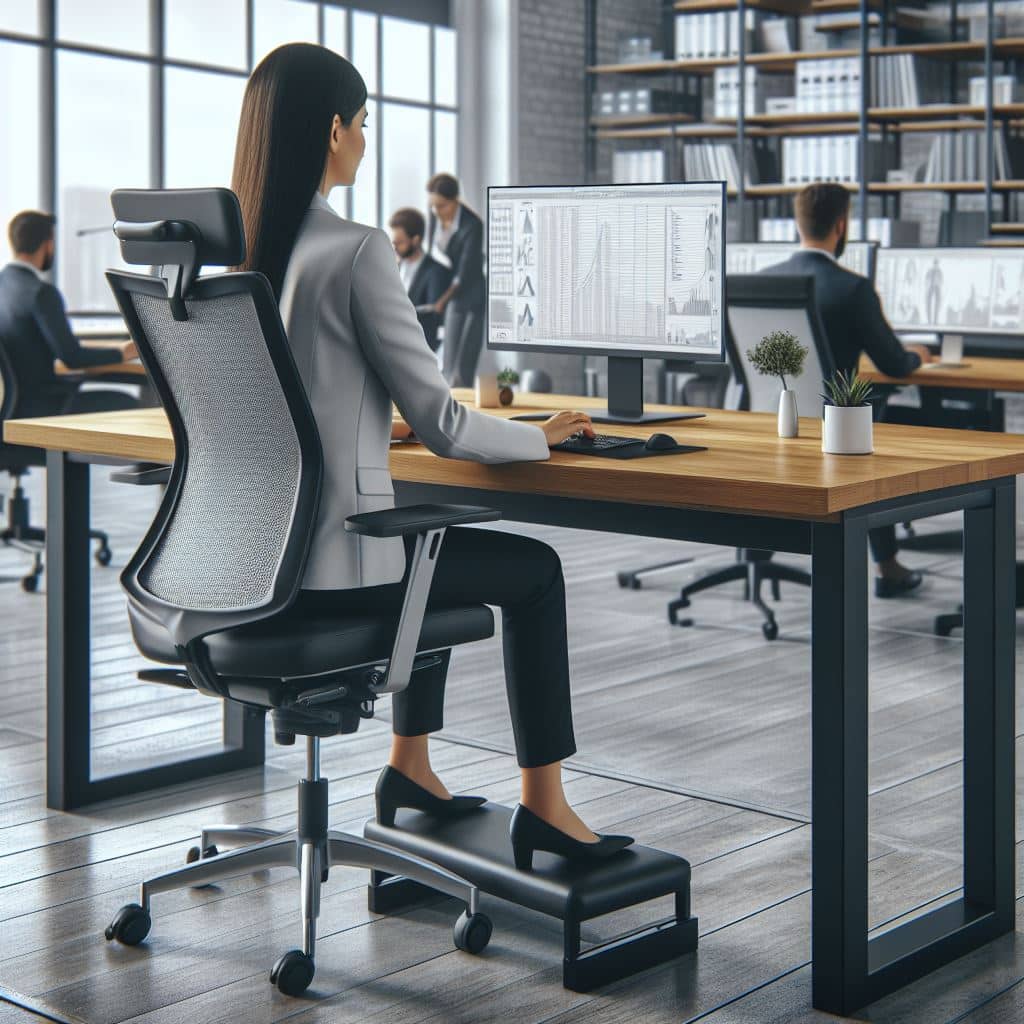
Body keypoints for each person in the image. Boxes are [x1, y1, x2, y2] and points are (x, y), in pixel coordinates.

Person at [230, 43, 632, 865]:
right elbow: (446, 424)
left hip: (248, 567)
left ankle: (410, 769)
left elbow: (283, 404)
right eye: (364, 123)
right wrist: (541, 435)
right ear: (334, 131)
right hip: (334, 573)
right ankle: (546, 808)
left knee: (428, 538)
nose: (365, 139)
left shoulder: (243, 251)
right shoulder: (355, 249)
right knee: (533, 571)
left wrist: (369, 428)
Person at [769, 183, 932, 599]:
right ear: (841, 225)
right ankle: (887, 565)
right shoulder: (851, 288)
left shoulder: (762, 281)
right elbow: (893, 364)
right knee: (875, 423)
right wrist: (918, 355)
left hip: (770, 422)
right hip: (835, 431)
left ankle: (757, 550)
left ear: (798, 224)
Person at [0, 211, 138, 418]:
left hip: (14, 407)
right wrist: (125, 351)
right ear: (48, 244)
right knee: (128, 401)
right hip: (45, 406)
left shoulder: (5, 285)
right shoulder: (41, 293)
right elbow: (72, 358)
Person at [425, 172, 486, 387]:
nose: (436, 211)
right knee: (448, 362)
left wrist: (442, 301)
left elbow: (464, 273)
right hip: (449, 292)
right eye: (432, 205)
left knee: (463, 365)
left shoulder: (473, 225)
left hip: (470, 295)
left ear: (455, 201)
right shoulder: (436, 215)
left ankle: (462, 402)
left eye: (441, 206)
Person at [388, 206, 451, 352]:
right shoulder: (393, 268)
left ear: (416, 240)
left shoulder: (436, 272)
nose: (394, 248)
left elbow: (434, 317)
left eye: (400, 243)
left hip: (419, 349)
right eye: (393, 242)